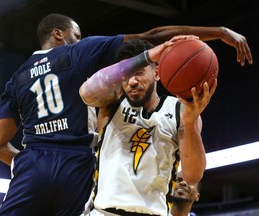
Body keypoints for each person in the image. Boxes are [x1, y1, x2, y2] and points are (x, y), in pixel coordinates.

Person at [0, 13, 252, 216]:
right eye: (76, 35)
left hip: (35, 158)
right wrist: (217, 32)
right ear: (59, 34)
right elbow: (153, 35)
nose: (79, 40)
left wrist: (30, 165)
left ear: (157, 74)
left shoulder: (16, 77)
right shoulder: (84, 62)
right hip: (79, 164)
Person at [79, 38, 215, 215]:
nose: (132, 81)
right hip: (105, 212)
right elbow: (86, 94)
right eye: (126, 75)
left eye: (139, 73)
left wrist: (190, 123)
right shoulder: (112, 101)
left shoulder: (181, 110)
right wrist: (148, 56)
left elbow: (192, 175)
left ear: (157, 73)